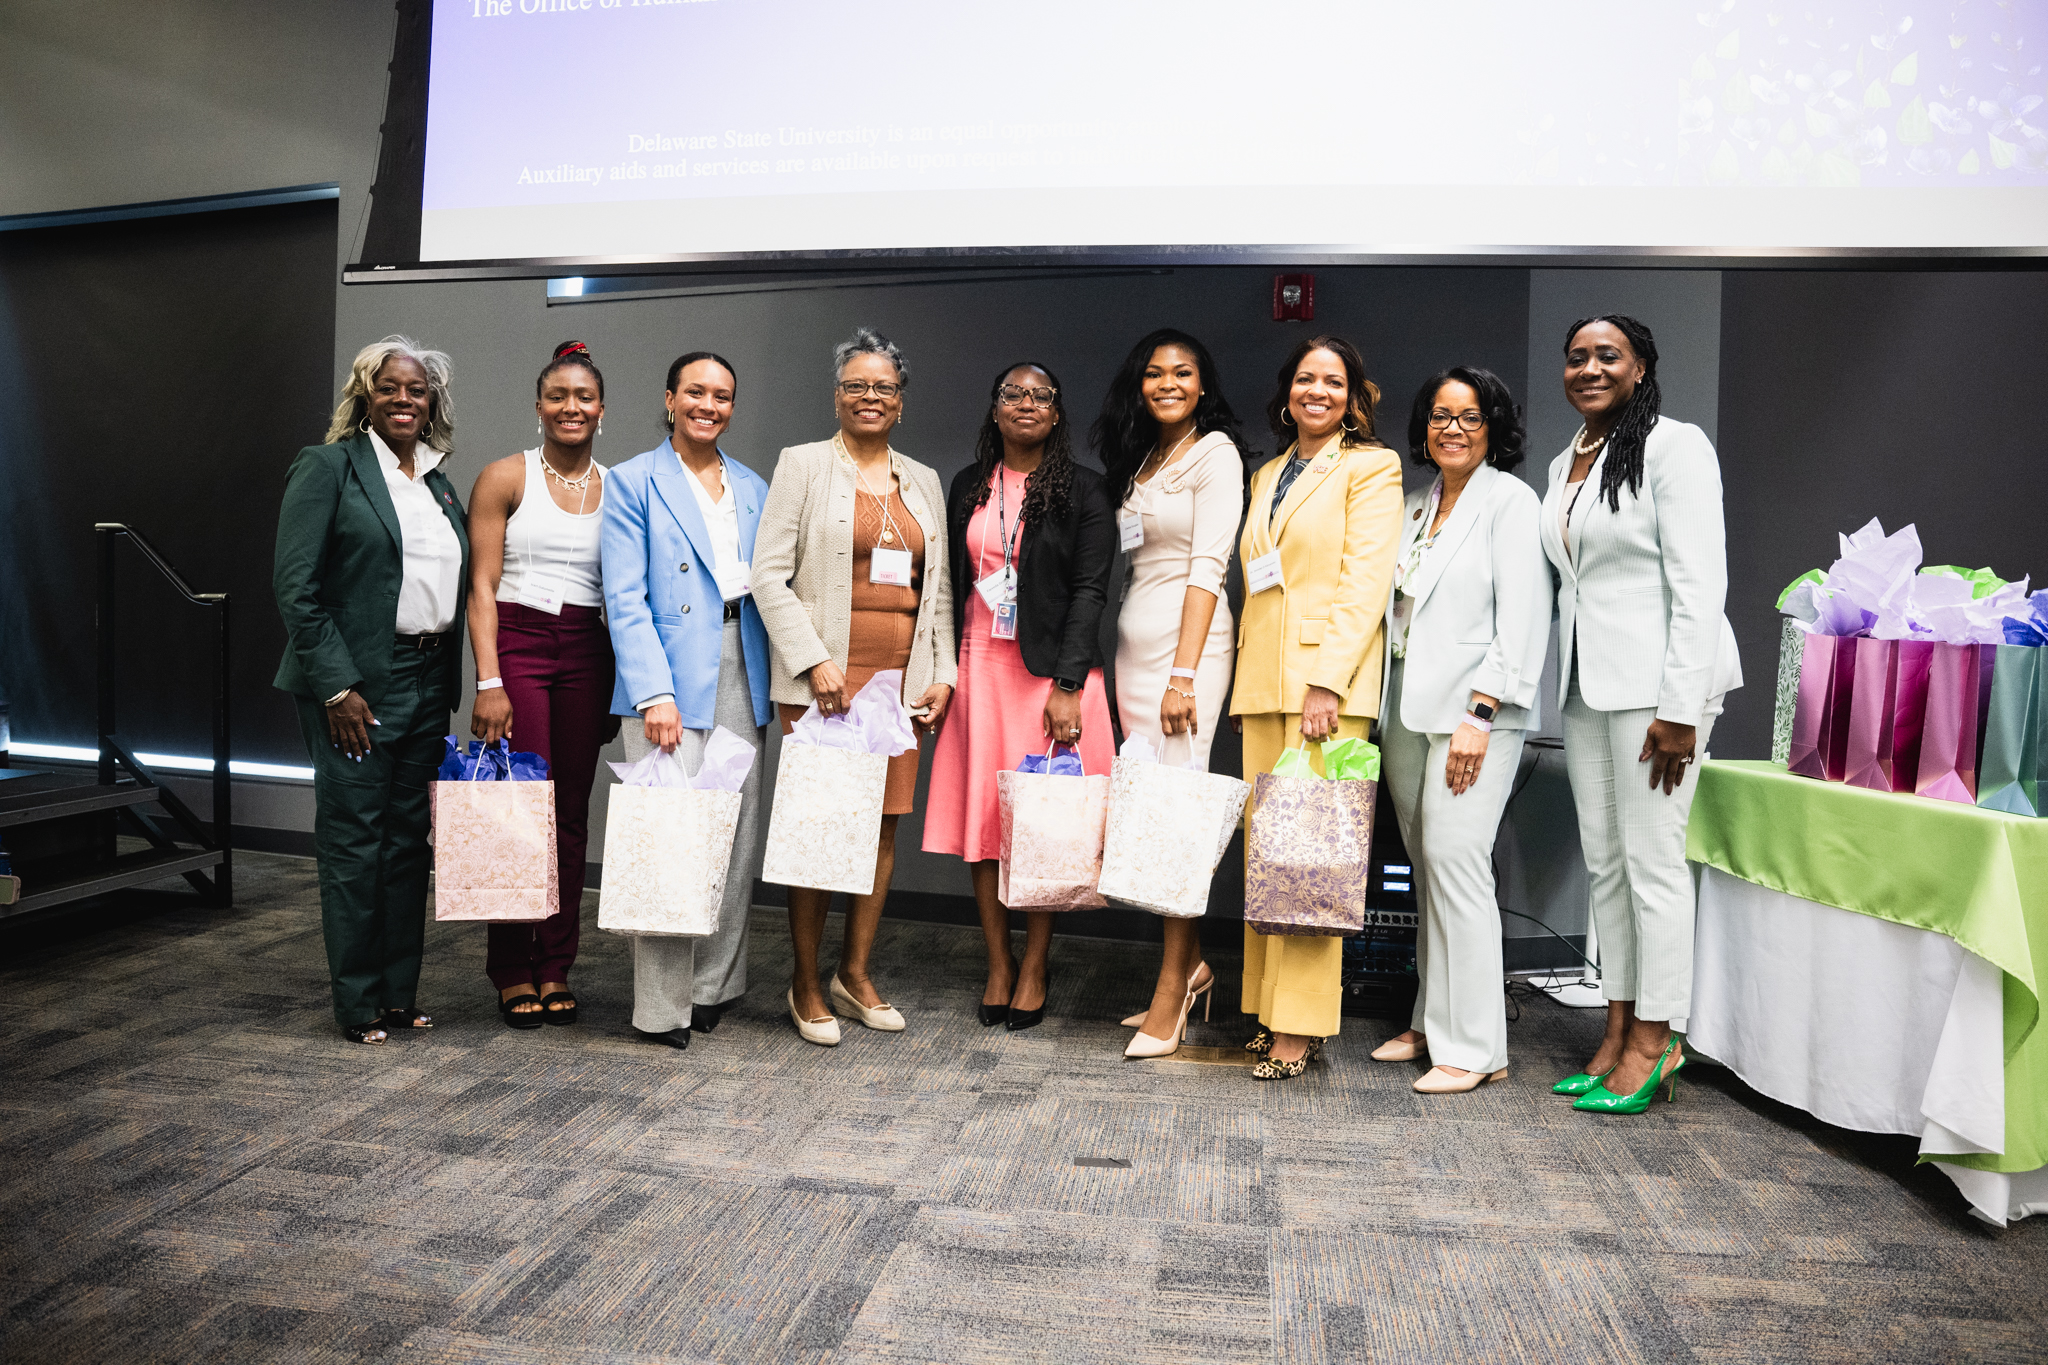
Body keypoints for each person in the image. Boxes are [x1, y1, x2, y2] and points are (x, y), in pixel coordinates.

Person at [1539, 314, 1742, 1114]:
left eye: (1607, 356)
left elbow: (1701, 582)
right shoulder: (1567, 461)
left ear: (1641, 367)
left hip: (1662, 695)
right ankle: (1618, 1025)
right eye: (1577, 356)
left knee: (1654, 866)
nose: (1589, 368)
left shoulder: (1675, 446)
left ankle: (1659, 1040)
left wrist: (1681, 705)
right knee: (1607, 865)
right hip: (1591, 684)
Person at [752, 327, 955, 1046]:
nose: (871, 397)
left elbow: (941, 592)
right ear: (837, 397)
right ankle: (805, 981)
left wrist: (944, 675)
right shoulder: (803, 465)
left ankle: (854, 972)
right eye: (857, 386)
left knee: (880, 828)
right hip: (828, 685)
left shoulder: (923, 479)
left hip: (900, 687)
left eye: (885, 387)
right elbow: (767, 575)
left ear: (901, 402)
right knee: (820, 828)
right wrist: (812, 660)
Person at [273, 335, 469, 1046]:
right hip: (354, 684)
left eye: (417, 389)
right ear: (365, 394)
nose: (405, 398)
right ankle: (357, 1002)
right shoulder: (328, 467)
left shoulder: (440, 482)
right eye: (390, 386)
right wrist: (337, 687)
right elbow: (296, 588)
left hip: (426, 678)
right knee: (357, 842)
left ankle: (397, 994)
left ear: (432, 402)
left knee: (408, 843)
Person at [1372, 367, 1551, 1093]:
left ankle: (1476, 1047)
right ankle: (1430, 1019)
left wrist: (1482, 712)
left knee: (1458, 863)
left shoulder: (1510, 502)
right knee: (1430, 870)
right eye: (1441, 415)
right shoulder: (1417, 507)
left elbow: (1523, 618)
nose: (1453, 427)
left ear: (1494, 427)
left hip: (1473, 718)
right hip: (1407, 715)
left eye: (1470, 416)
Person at [1230, 336, 1403, 1080]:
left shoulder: (1372, 467)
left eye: (1334, 381)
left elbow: (1366, 581)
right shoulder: (1267, 471)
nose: (1318, 391)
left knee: (1311, 860)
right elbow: (1260, 584)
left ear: (1353, 396)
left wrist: (1328, 681)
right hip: (1263, 685)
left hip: (1323, 690)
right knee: (1268, 860)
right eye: (1306, 378)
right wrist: (1247, 686)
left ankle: (1300, 1028)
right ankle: (1268, 1010)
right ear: (1286, 390)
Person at [925, 361, 1116, 1033]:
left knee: (1043, 829)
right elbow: (948, 584)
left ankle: (1035, 963)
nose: (1027, 403)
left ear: (1057, 413)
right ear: (996, 407)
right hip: (980, 672)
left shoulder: (1085, 492)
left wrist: (1068, 686)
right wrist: (941, 670)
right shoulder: (967, 486)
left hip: (1048, 681)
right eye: (1014, 393)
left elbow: (1091, 591)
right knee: (984, 826)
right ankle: (998, 961)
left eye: (1041, 396)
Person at [602, 351, 773, 1051]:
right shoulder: (633, 481)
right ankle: (662, 1006)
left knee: (732, 835)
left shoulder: (755, 485)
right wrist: (653, 694)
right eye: (696, 392)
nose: (710, 404)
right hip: (669, 677)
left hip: (743, 664)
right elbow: (623, 596)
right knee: (670, 841)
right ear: (670, 398)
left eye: (723, 395)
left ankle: (712, 989)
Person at [1091, 329, 1249, 1058]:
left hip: (1189, 654)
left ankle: (1172, 987)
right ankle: (1188, 967)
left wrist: (1184, 673)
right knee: (1152, 813)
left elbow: (1209, 568)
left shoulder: (1214, 453)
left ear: (1202, 382)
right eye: (1154, 372)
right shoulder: (1145, 458)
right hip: (1134, 650)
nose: (1167, 382)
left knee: (1181, 814)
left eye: (1183, 372)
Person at [465, 341, 616, 1030]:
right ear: (539, 407)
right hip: (519, 643)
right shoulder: (506, 476)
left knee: (571, 813)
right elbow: (482, 586)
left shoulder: (621, 488)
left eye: (583, 397)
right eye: (558, 396)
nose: (571, 407)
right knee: (518, 805)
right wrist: (488, 678)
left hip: (590, 648)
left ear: (601, 410)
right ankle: (510, 968)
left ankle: (555, 963)